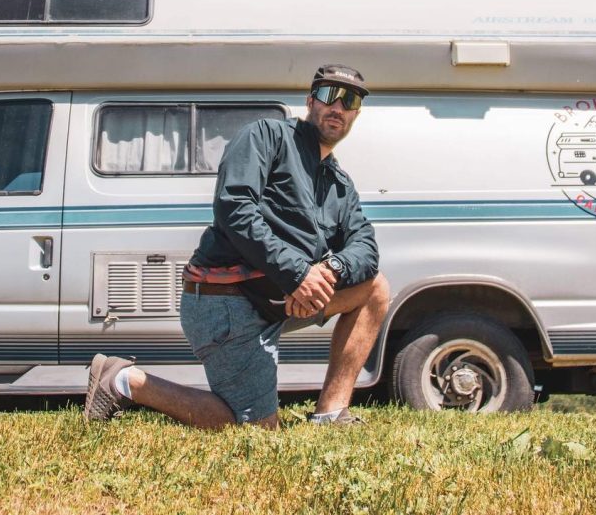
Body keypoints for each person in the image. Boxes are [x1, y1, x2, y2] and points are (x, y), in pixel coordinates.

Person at [84, 63, 390, 428]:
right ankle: (121, 379)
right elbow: (235, 209)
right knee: (256, 429)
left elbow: (365, 246)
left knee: (374, 288)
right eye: (328, 96)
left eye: (349, 100)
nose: (337, 107)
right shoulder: (268, 137)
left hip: (277, 301)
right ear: (311, 101)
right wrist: (295, 274)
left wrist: (328, 270)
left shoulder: (339, 183)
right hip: (225, 299)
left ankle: (330, 413)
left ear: (356, 113)